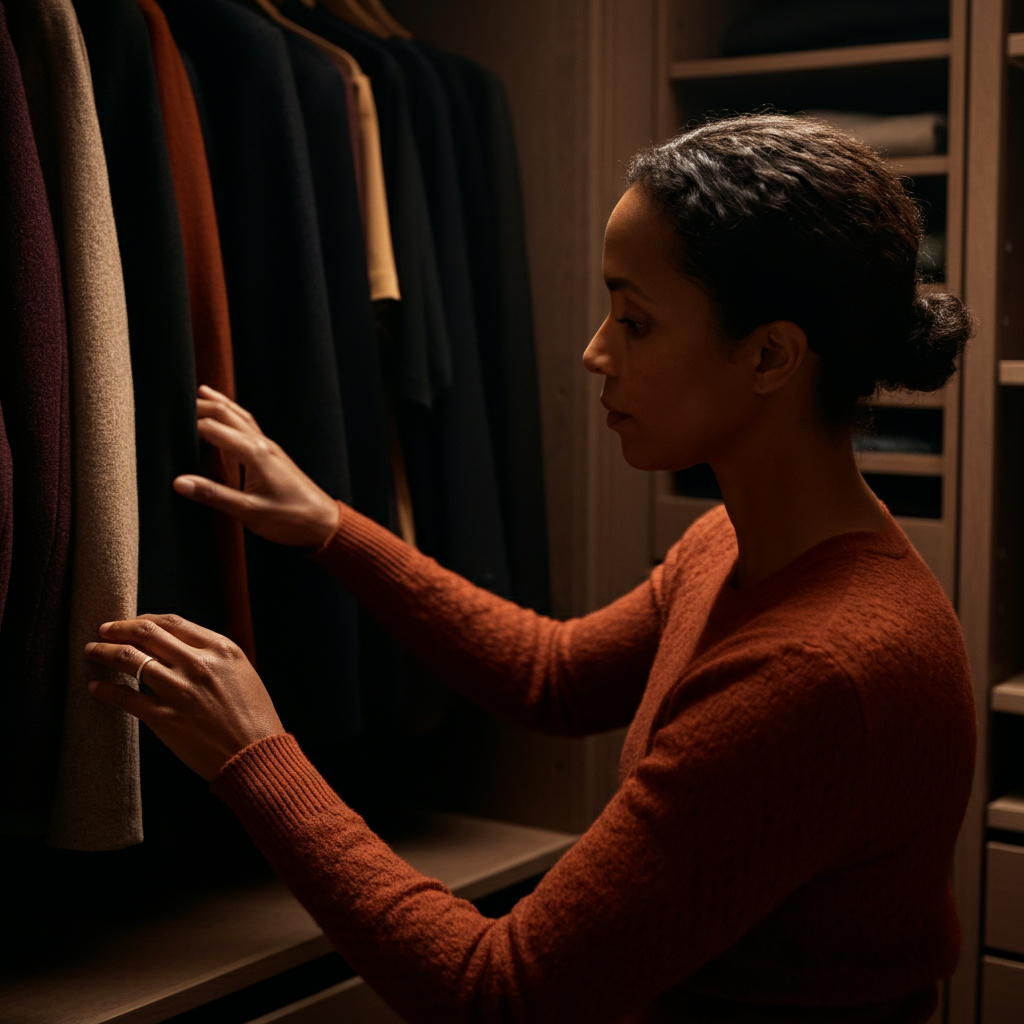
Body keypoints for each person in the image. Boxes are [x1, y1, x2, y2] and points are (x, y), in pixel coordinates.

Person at [84, 113, 976, 1023]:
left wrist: (255, 755)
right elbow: (555, 676)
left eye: (634, 319)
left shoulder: (817, 673)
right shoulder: (744, 544)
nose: (595, 350)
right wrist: (329, 528)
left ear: (769, 356)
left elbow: (498, 995)